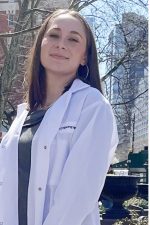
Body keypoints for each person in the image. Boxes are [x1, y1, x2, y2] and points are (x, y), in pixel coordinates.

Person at [0, 9, 118, 225]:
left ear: (84, 56)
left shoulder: (92, 107)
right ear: (40, 45)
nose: (61, 44)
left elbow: (78, 193)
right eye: (53, 35)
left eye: (73, 39)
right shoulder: (24, 114)